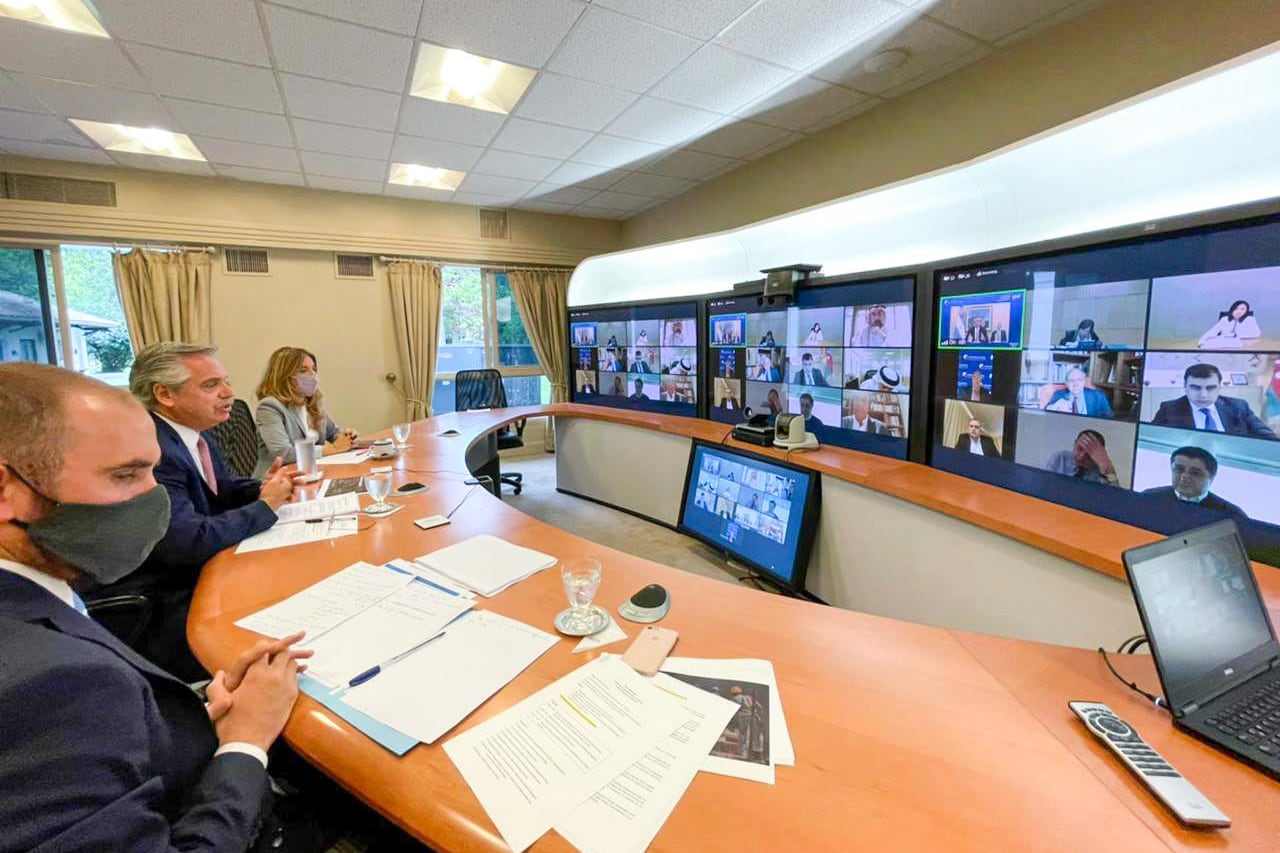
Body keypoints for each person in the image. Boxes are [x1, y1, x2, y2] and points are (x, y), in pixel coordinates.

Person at [0, 362, 315, 852]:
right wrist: (246, 740)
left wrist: (193, 718)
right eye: (125, 475)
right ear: (6, 490)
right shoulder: (50, 683)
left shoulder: (40, 598)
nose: (155, 499)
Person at [86, 343, 297, 679]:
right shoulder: (151, 448)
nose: (229, 393)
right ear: (165, 394)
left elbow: (217, 491)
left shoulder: (191, 435)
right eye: (211, 385)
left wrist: (264, 489)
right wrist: (264, 507)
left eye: (225, 381)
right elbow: (187, 541)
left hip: (193, 574)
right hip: (162, 600)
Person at [253, 347, 358, 478]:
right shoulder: (270, 407)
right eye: (303, 370)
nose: (312, 375)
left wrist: (348, 437)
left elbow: (334, 433)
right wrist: (332, 449)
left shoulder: (311, 404)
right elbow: (284, 453)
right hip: (277, 481)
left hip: (312, 473)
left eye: (313, 369)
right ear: (284, 375)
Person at [1151, 363, 1277, 438]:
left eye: (1210, 388)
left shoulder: (1239, 406)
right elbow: (1151, 438)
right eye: (1195, 387)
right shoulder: (1169, 409)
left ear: (1219, 387)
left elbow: (1268, 437)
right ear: (1185, 387)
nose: (1203, 395)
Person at [1142, 446, 1247, 517]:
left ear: (1211, 477)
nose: (1184, 476)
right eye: (1179, 469)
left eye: (1195, 473)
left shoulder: (1231, 514)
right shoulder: (1149, 498)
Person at [1044, 429, 1120, 485]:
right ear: (1074, 444)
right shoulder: (1060, 458)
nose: (1082, 456)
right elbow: (1045, 485)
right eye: (1079, 449)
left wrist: (1105, 464)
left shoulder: (1101, 471)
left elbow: (1113, 500)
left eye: (1089, 453)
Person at [1044, 366, 1114, 417]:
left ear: (1084, 381)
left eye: (1079, 380)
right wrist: (1054, 407)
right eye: (1071, 381)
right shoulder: (1059, 394)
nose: (1075, 384)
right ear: (1066, 383)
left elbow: (1109, 416)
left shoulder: (1098, 396)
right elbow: (1046, 412)